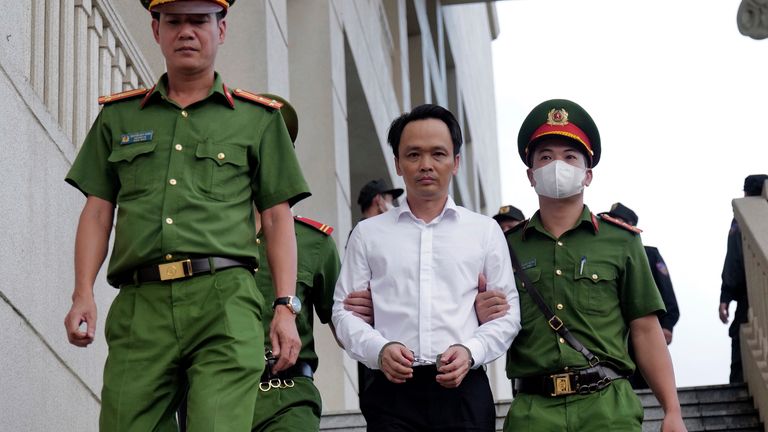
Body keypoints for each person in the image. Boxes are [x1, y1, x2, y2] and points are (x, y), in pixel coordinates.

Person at [62, 1, 310, 430]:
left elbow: (276, 218)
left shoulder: (257, 120)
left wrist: (285, 306)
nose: (186, 32)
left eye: (199, 21)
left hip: (224, 298)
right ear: (156, 31)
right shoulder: (118, 117)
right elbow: (99, 212)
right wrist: (82, 291)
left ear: (222, 30)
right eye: (174, 22)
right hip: (141, 303)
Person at [332, 104, 521, 432]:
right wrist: (379, 349)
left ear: (456, 162)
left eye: (438, 154)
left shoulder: (484, 231)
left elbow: (509, 314)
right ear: (398, 164)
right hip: (393, 393)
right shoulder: (368, 234)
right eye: (414, 154)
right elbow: (343, 312)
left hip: (464, 389)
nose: (426, 165)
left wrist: (470, 350)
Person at [502, 99, 686, 431]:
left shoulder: (622, 242)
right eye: (545, 157)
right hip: (533, 413)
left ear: (587, 174)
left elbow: (645, 329)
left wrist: (671, 409)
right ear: (531, 175)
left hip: (608, 409)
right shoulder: (504, 246)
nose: (557, 164)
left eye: (570, 157)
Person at [603, 202, 681, 389]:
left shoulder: (649, 255)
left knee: (644, 384)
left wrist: (667, 325)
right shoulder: (599, 256)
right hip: (611, 338)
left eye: (615, 221)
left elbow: (666, 293)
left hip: (643, 332)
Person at [720, 174, 768, 383]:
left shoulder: (742, 220)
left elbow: (735, 259)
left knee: (742, 343)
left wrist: (726, 296)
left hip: (751, 296)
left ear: (746, 194)